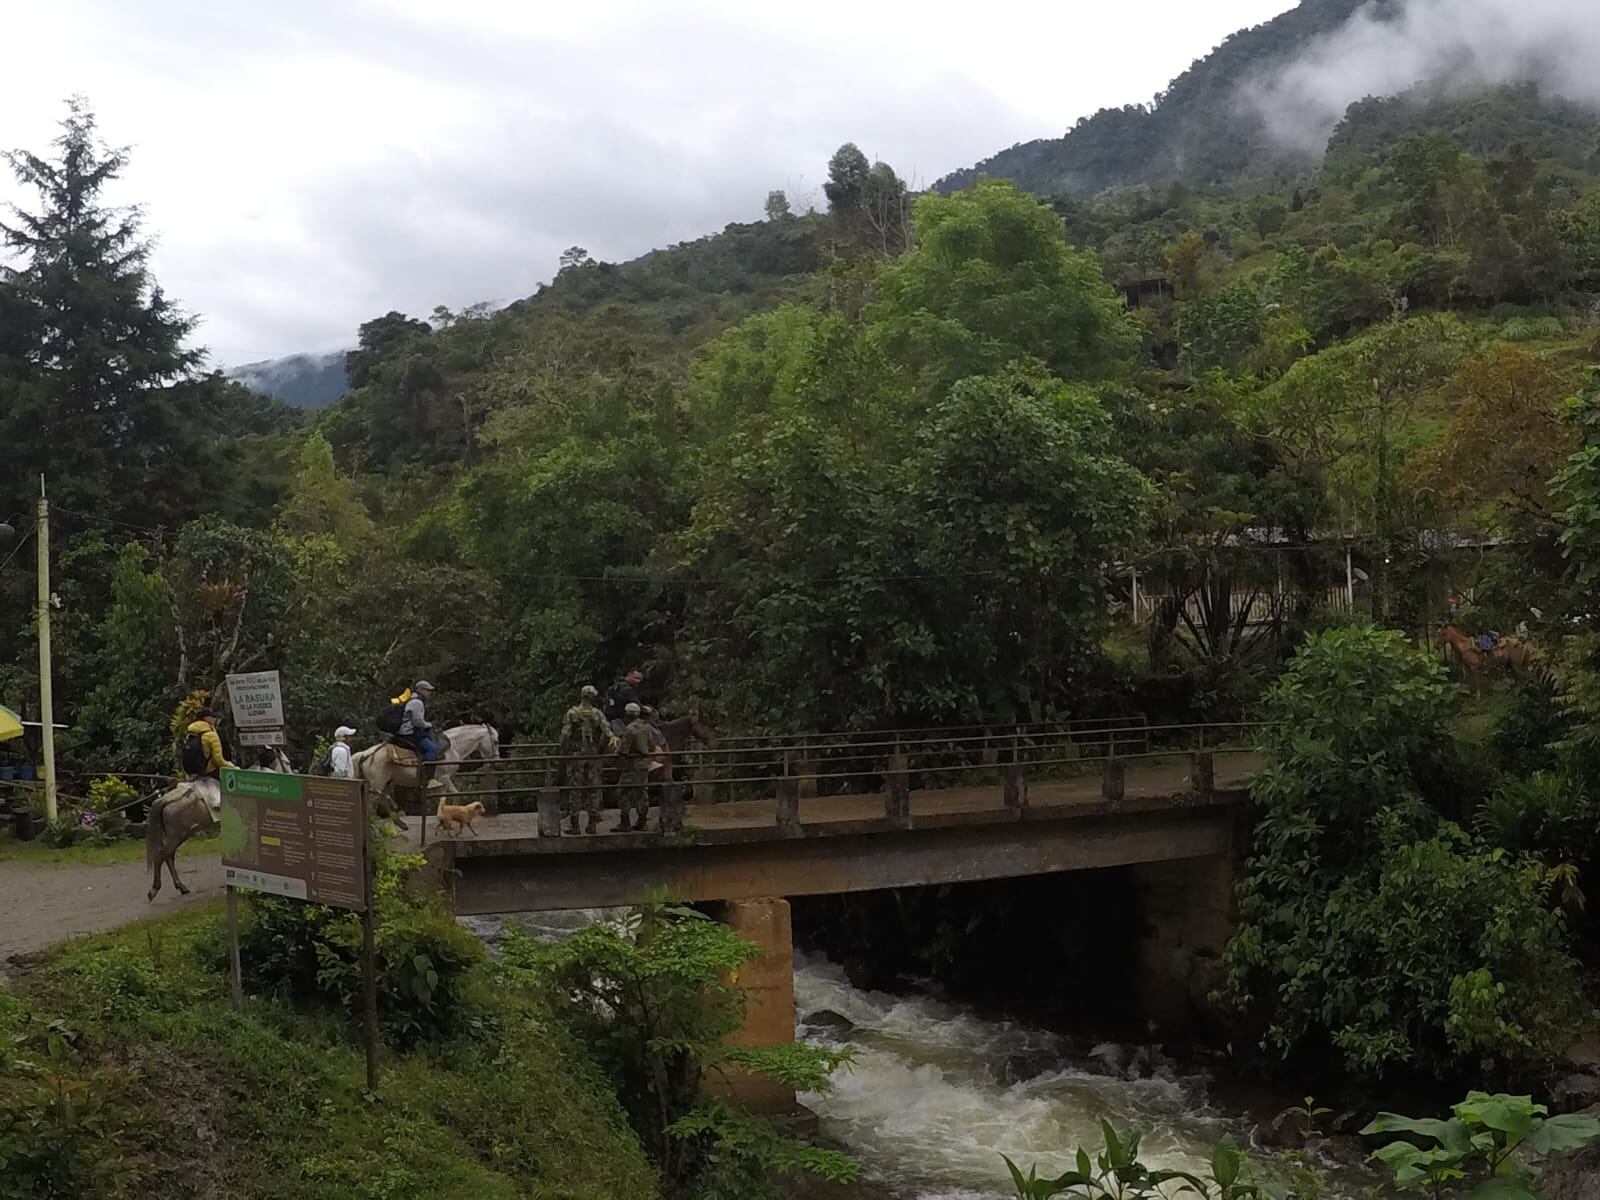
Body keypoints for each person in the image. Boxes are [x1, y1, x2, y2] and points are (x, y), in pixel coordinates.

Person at [558, 685, 608, 834]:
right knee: (593, 788)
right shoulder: (597, 714)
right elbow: (606, 731)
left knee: (575, 788)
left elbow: (565, 735)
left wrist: (564, 749)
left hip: (576, 755)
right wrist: (599, 747)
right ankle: (592, 824)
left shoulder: (572, 713)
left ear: (581, 696)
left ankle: (575, 826)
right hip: (592, 754)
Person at [180, 708, 234, 809]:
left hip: (191, 772)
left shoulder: (189, 734)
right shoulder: (210, 735)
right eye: (213, 717)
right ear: (207, 718)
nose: (215, 719)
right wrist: (231, 766)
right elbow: (218, 760)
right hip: (209, 771)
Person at [615, 702, 653, 832]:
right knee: (642, 793)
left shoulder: (629, 729)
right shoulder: (646, 727)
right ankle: (642, 822)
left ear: (628, 714)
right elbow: (651, 744)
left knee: (623, 792)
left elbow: (623, 750)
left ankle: (625, 823)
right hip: (644, 764)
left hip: (632, 765)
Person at [398, 680, 439, 780]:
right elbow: (418, 722)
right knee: (432, 749)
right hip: (409, 732)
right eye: (428, 690)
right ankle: (425, 776)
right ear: (421, 690)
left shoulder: (412, 699)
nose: (429, 693)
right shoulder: (417, 702)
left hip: (405, 731)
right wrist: (430, 724)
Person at [605, 668, 644, 737]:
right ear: (629, 675)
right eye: (636, 678)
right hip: (623, 721)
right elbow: (638, 706)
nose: (638, 681)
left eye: (639, 679)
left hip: (609, 720)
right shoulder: (627, 689)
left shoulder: (614, 686)